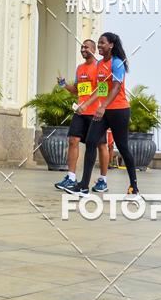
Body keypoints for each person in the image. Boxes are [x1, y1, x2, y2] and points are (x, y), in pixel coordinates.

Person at [68, 32, 139, 196]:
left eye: (102, 43)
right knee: (91, 141)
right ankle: (84, 186)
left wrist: (103, 106)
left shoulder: (117, 63)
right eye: (98, 43)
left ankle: (133, 185)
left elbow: (115, 87)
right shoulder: (100, 64)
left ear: (111, 45)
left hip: (119, 111)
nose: (99, 46)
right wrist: (87, 104)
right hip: (104, 111)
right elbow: (101, 90)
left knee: (123, 147)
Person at [54, 40, 110, 193]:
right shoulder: (80, 68)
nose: (83, 49)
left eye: (86, 47)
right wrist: (64, 85)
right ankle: (71, 177)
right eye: (82, 47)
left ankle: (103, 180)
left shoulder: (101, 66)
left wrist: (94, 105)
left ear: (93, 49)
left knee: (100, 145)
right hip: (80, 112)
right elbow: (78, 90)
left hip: (96, 113)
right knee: (73, 140)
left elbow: (103, 89)